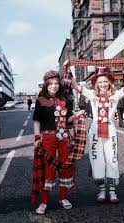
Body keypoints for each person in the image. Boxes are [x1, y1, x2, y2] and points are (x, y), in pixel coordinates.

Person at [64, 62, 124, 204]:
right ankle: (102, 190)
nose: (103, 84)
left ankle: (112, 192)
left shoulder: (116, 94)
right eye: (100, 82)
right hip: (95, 130)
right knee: (97, 159)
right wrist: (68, 68)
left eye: (105, 81)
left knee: (112, 158)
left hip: (110, 129)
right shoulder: (91, 93)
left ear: (110, 82)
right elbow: (75, 86)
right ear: (96, 83)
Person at [32, 70, 84, 215]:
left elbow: (66, 120)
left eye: (56, 83)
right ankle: (44, 202)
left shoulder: (64, 99)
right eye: (51, 84)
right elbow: (37, 121)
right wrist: (37, 138)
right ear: (46, 85)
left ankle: (63, 198)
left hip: (64, 137)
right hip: (48, 138)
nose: (54, 86)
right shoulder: (41, 100)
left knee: (65, 166)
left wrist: (76, 116)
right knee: (49, 168)